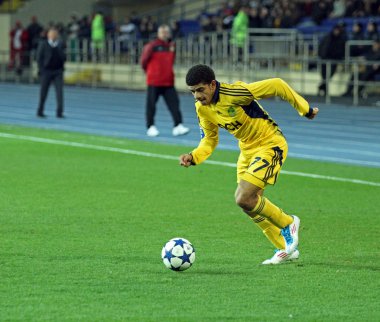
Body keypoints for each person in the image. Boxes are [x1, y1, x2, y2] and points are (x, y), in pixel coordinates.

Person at [179, 64, 319, 265]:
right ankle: (284, 247)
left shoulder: (235, 93)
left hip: (270, 144)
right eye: (192, 92)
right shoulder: (202, 108)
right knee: (249, 205)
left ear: (212, 84)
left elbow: (277, 85)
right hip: (247, 152)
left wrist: (304, 109)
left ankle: (288, 223)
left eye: (200, 90)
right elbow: (209, 140)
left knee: (243, 197)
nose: (197, 96)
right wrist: (194, 156)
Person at [140, 24, 189, 137]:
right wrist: (151, 72)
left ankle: (178, 125)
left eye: (166, 32)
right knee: (151, 105)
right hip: (154, 81)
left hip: (168, 81)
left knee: (175, 104)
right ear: (158, 34)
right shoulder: (152, 46)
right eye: (162, 32)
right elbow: (143, 61)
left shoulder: (172, 45)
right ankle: (150, 126)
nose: (165, 34)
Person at [36, 27, 66, 118]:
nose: (53, 36)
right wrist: (41, 69)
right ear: (48, 35)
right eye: (52, 34)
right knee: (43, 92)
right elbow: (39, 58)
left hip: (58, 72)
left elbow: (64, 57)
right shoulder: (43, 44)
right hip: (46, 71)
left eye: (55, 34)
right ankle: (40, 111)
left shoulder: (60, 44)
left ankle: (59, 112)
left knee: (60, 92)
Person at [317, 22, 346, 96]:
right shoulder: (327, 37)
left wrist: (338, 57)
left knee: (329, 76)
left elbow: (341, 50)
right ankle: (324, 90)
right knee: (324, 76)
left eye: (338, 30)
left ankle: (321, 88)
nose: (336, 31)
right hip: (324, 59)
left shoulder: (341, 39)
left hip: (334, 60)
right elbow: (321, 47)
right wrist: (321, 55)